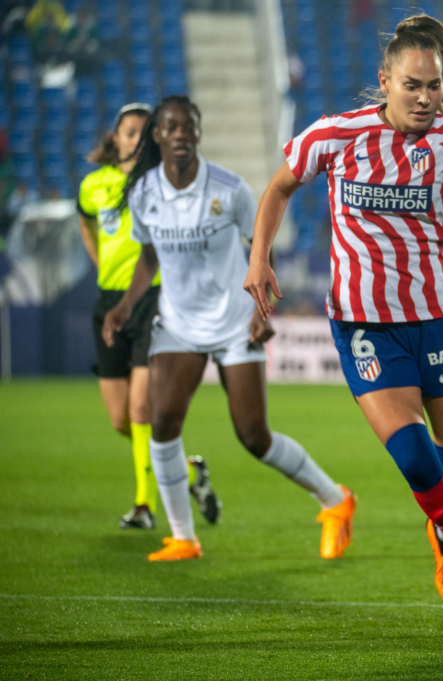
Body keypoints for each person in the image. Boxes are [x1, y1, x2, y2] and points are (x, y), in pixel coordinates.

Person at [242, 15, 443, 629]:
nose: (426, 98)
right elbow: (277, 189)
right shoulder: (334, 135)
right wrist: (259, 256)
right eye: (413, 85)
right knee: (414, 459)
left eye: (434, 86)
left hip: (438, 315)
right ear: (385, 82)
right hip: (364, 325)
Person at [102, 95, 354, 562]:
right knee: (162, 423)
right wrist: (125, 305)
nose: (180, 135)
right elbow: (149, 257)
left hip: (236, 319)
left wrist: (261, 307)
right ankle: (183, 537)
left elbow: (261, 242)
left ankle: (335, 500)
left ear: (197, 133)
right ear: (158, 136)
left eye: (188, 127)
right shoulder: (144, 194)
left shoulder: (229, 188)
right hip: (178, 323)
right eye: (170, 128)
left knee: (254, 435)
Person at [78, 102, 219, 530]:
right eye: (131, 131)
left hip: (154, 300)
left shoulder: (162, 184)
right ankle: (189, 469)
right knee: (122, 418)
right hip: (109, 303)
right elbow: (85, 222)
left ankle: (144, 506)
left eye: (146, 131)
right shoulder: (93, 185)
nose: (138, 138)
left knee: (142, 406)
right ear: (116, 137)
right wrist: (100, 262)